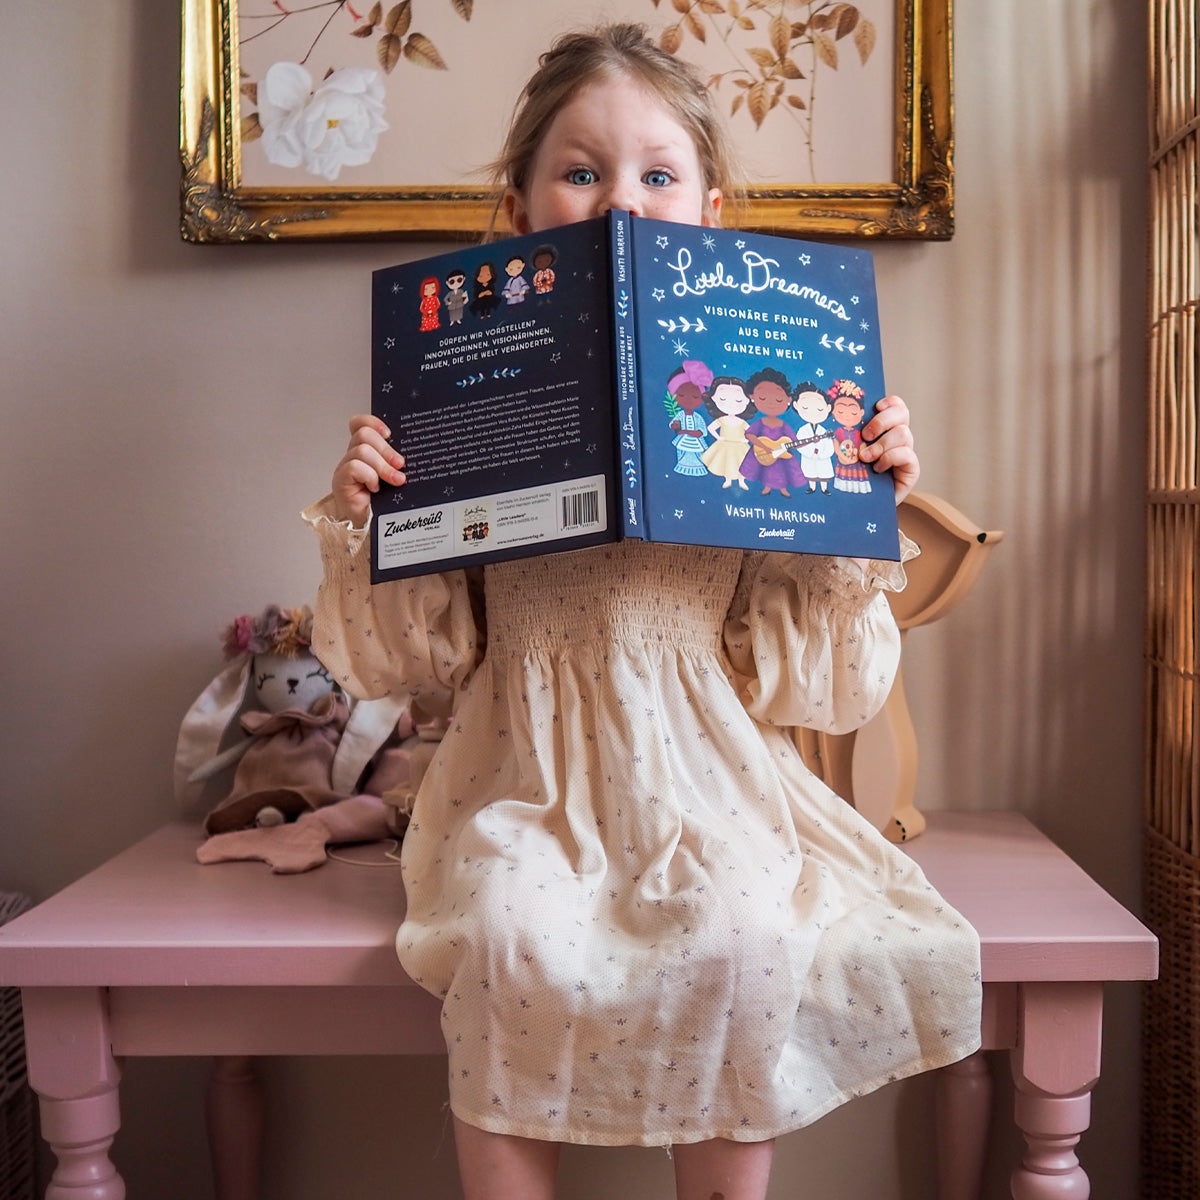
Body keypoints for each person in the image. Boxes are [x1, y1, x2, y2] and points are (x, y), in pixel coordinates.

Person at [303, 24, 981, 1200]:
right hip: (524, 772)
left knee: (745, 932)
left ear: (708, 213)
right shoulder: (459, 381)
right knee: (509, 929)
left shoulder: (760, 378)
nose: (621, 200)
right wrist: (370, 516)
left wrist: (854, 506)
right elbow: (406, 660)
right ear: (518, 211)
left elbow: (821, 689)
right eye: (582, 171)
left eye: (657, 174)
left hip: (708, 771)